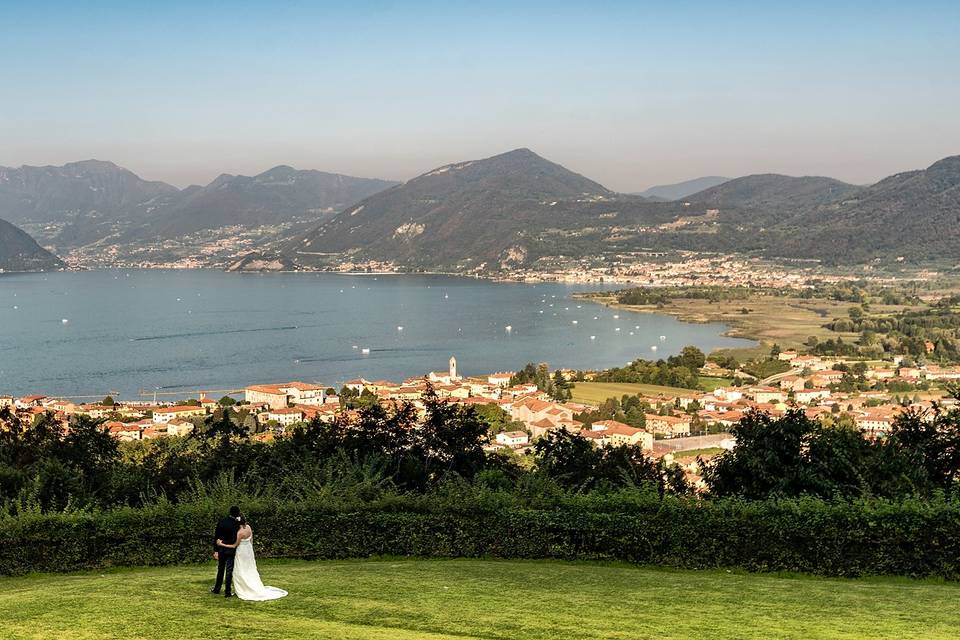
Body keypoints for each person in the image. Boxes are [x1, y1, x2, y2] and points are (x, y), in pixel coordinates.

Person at [217, 514, 288, 601]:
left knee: (240, 570)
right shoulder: (248, 527)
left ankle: (243, 589)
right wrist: (250, 549)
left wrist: (221, 544)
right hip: (248, 551)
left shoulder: (239, 533)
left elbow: (234, 546)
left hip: (241, 552)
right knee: (249, 568)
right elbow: (251, 540)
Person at [211, 506, 242, 598]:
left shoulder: (222, 521)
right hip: (231, 549)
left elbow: (216, 536)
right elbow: (235, 539)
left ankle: (217, 589)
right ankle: (227, 591)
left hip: (221, 548)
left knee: (220, 569)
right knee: (229, 570)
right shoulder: (237, 524)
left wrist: (216, 550)